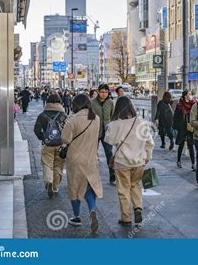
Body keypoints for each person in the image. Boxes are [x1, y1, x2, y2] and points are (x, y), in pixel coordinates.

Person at [104, 96, 154, 226]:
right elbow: (149, 143)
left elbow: (109, 140)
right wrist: (148, 156)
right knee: (135, 185)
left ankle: (126, 217)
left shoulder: (116, 124)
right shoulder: (142, 122)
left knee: (123, 189)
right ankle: (138, 207)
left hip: (122, 162)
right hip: (139, 162)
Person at [62, 94, 103, 233]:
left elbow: (65, 139)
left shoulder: (72, 119)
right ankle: (92, 210)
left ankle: (77, 217)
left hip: (75, 159)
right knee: (89, 187)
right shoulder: (96, 118)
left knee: (75, 187)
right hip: (91, 158)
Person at [34, 93, 68, 198]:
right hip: (60, 144)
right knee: (58, 165)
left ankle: (48, 181)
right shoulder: (64, 115)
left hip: (48, 144)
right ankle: (55, 187)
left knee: (47, 164)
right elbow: (68, 130)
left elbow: (36, 130)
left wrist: (43, 138)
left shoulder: (42, 115)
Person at [91, 84, 116, 184]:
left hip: (107, 132)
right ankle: (92, 176)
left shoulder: (110, 103)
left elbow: (112, 116)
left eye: (106, 92)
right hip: (95, 131)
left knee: (109, 153)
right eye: (102, 92)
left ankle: (112, 174)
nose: (104, 94)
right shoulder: (92, 103)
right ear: (98, 91)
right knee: (92, 154)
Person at [173, 90, 196, 170]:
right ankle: (178, 160)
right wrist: (177, 126)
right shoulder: (179, 105)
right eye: (189, 94)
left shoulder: (193, 104)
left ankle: (193, 164)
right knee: (181, 144)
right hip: (182, 128)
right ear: (185, 96)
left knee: (190, 145)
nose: (190, 95)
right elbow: (175, 117)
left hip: (190, 128)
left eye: (190, 94)